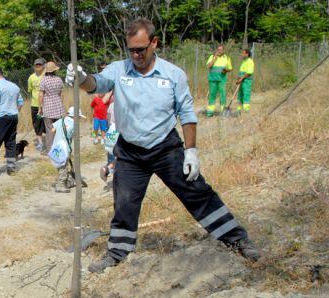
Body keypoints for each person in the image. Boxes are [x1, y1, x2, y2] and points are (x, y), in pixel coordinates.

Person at [71, 18, 260, 273]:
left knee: (197, 192)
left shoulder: (173, 75)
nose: (136, 55)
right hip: (130, 150)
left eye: (141, 49)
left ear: (154, 43)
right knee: (124, 203)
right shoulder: (119, 70)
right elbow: (96, 84)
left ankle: (237, 240)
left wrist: (191, 151)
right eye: (131, 50)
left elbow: (187, 114)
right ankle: (117, 253)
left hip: (165, 148)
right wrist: (81, 78)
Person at [39, 61, 66, 152]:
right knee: (59, 129)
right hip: (58, 107)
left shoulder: (44, 80)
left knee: (49, 130)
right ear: (54, 70)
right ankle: (60, 149)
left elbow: (41, 95)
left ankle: (51, 150)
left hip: (48, 108)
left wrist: (40, 107)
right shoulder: (59, 79)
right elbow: (61, 94)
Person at [51, 106, 78, 193]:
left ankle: (66, 181)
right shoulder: (74, 125)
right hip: (65, 149)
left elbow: (52, 130)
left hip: (56, 147)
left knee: (60, 166)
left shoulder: (61, 120)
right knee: (64, 167)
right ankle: (60, 185)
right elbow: (72, 136)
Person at [206, 44, 232, 117]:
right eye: (218, 49)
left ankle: (223, 111)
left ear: (223, 50)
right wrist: (214, 58)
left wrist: (226, 70)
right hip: (212, 79)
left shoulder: (227, 58)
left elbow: (230, 68)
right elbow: (208, 66)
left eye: (221, 50)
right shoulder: (212, 57)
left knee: (222, 95)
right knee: (212, 95)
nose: (219, 51)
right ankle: (210, 112)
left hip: (222, 80)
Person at [27, 58, 47, 152]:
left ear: (43, 66)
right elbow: (30, 90)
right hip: (35, 105)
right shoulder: (31, 77)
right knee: (37, 124)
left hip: (46, 104)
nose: (38, 66)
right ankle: (40, 143)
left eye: (40, 64)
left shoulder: (47, 76)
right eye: (36, 65)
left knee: (48, 123)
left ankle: (51, 141)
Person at [100, 94, 119, 189]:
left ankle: (108, 168)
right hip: (119, 130)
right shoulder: (125, 104)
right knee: (124, 155)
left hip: (111, 130)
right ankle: (114, 174)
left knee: (114, 154)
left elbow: (108, 118)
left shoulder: (112, 105)